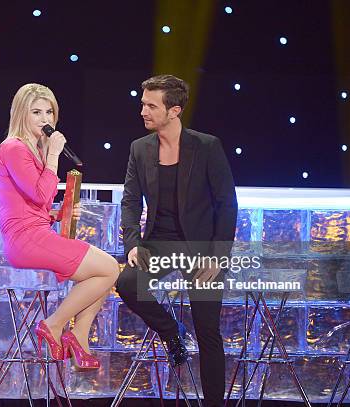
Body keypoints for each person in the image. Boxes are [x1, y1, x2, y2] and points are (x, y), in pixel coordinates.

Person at [116, 74, 238, 407]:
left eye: (151, 105)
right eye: (143, 103)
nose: (143, 110)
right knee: (127, 282)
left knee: (208, 331)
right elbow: (130, 201)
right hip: (159, 244)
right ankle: (172, 333)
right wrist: (133, 243)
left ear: (175, 111)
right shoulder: (140, 149)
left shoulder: (207, 146)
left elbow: (227, 203)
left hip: (201, 249)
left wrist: (217, 257)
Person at [0, 83, 120, 370]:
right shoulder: (13, 148)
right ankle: (54, 325)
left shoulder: (32, 150)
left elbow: (33, 203)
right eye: (36, 112)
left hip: (36, 232)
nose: (44, 119)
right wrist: (53, 156)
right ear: (21, 115)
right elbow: (39, 194)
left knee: (102, 273)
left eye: (49, 111)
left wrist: (57, 213)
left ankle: (79, 338)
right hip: (24, 240)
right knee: (109, 268)